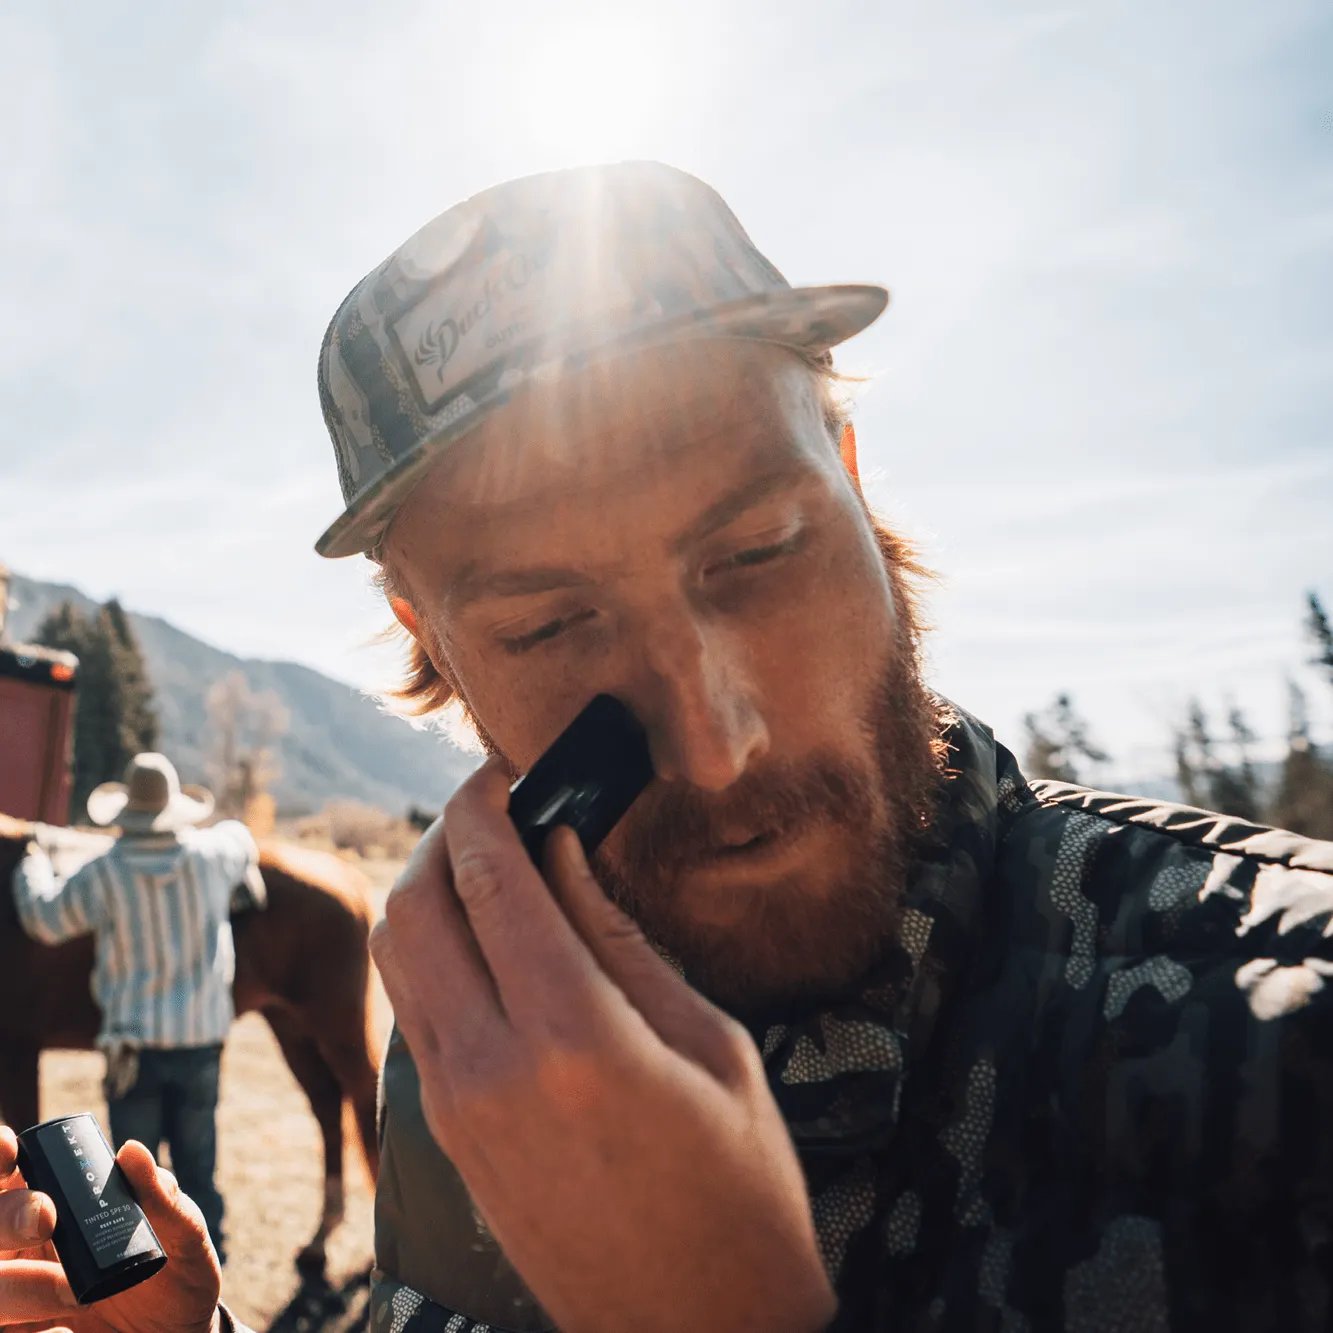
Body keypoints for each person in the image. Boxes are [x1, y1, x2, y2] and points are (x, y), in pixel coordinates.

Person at [4, 161, 1332, 1332]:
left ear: (853, 486)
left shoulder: (1283, 1032)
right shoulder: (479, 1037)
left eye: (759, 552)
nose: (711, 741)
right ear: (433, 645)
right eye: (545, 627)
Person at [11, 752, 264, 1264]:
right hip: (200, 1043)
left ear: (126, 812)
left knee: (130, 1175)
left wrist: (31, 859)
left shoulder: (105, 872)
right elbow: (240, 837)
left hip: (133, 1048)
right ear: (175, 809)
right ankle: (209, 1264)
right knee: (197, 1166)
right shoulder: (212, 856)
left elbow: (44, 918)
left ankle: (141, 1275)